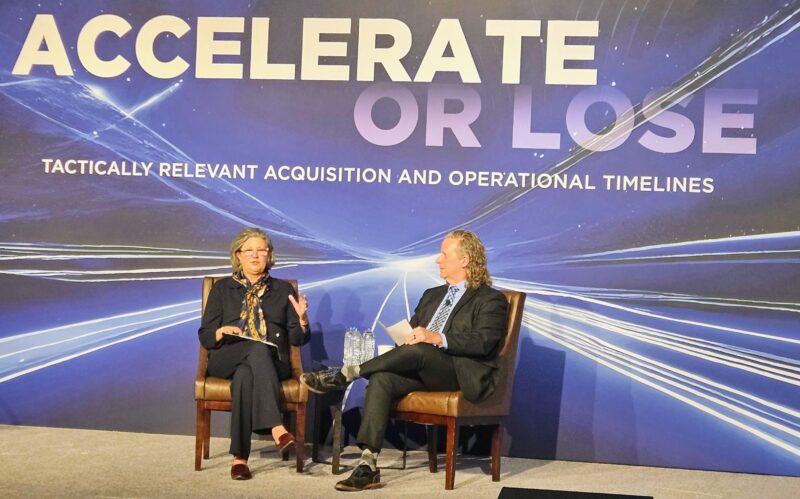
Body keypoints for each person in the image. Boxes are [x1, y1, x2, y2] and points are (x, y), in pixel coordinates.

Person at [301, 229, 508, 491]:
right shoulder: (432, 295)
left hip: (459, 371)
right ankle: (368, 464)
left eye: (444, 254)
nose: (437, 260)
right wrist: (408, 337)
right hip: (422, 365)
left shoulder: (490, 299)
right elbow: (414, 331)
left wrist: (436, 337)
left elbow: (484, 342)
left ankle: (346, 374)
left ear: (465, 260)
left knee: (422, 348)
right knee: (382, 378)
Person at [198, 227, 311, 480]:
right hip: (227, 356)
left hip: (273, 362)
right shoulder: (222, 289)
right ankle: (277, 428)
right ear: (238, 255)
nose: (255, 255)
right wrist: (220, 331)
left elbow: (298, 339)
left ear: (269, 255)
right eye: (249, 250)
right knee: (254, 349)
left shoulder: (283, 290)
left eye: (261, 250)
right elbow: (205, 335)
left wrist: (302, 320)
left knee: (245, 377)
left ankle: (240, 459)